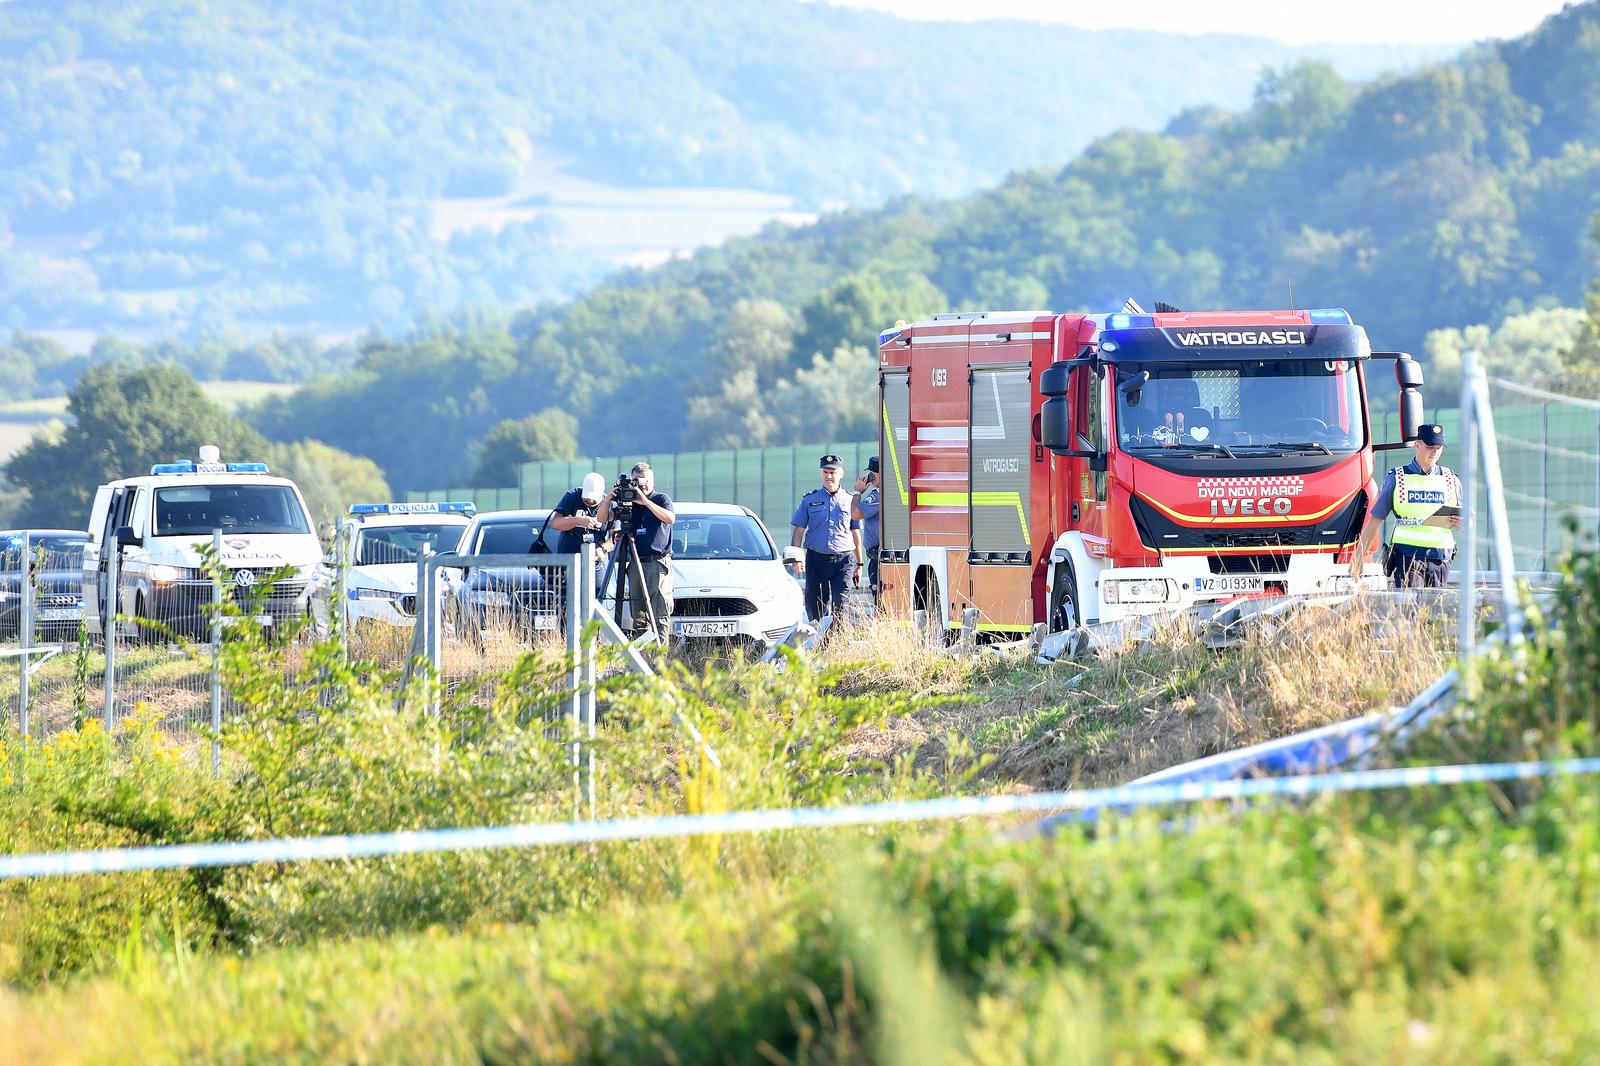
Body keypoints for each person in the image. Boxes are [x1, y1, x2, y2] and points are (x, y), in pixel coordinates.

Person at [1350, 423, 1461, 588]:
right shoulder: (1398, 478)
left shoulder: (1450, 479)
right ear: (1417, 444)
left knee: (1436, 612)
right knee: (1410, 610)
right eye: (1430, 446)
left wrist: (1463, 524)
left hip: (1440, 559)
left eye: (1438, 447)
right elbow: (1375, 520)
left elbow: (1466, 522)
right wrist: (1357, 558)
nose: (1435, 452)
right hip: (1408, 558)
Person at [598, 461, 674, 643]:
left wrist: (645, 502)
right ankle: (643, 655)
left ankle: (660, 656)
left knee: (659, 611)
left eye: (645, 481)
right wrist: (609, 499)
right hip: (635, 562)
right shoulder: (628, 503)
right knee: (638, 611)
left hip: (657, 562)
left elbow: (670, 518)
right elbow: (601, 518)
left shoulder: (661, 499)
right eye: (637, 482)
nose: (642, 485)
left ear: (652, 481)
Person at [791, 454, 863, 622]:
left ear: (841, 474)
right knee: (815, 606)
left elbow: (855, 532)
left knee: (841, 606)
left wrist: (859, 563)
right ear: (820, 473)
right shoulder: (809, 500)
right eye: (825, 472)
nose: (829, 476)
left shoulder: (850, 499)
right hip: (817, 560)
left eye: (833, 472)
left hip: (843, 561)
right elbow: (799, 530)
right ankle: (818, 641)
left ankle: (836, 643)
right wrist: (796, 559)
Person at [549, 471, 611, 586]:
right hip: (569, 561)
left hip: (595, 562)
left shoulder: (609, 503)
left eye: (594, 499)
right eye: (587, 498)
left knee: (596, 600)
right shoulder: (573, 496)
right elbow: (555, 523)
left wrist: (603, 549)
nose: (590, 501)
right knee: (567, 600)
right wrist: (578, 520)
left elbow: (615, 537)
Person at [852, 456, 881, 598]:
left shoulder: (878, 495)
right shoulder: (881, 493)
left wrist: (857, 492)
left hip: (878, 557)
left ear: (873, 474)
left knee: (880, 601)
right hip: (876, 556)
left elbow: (856, 514)